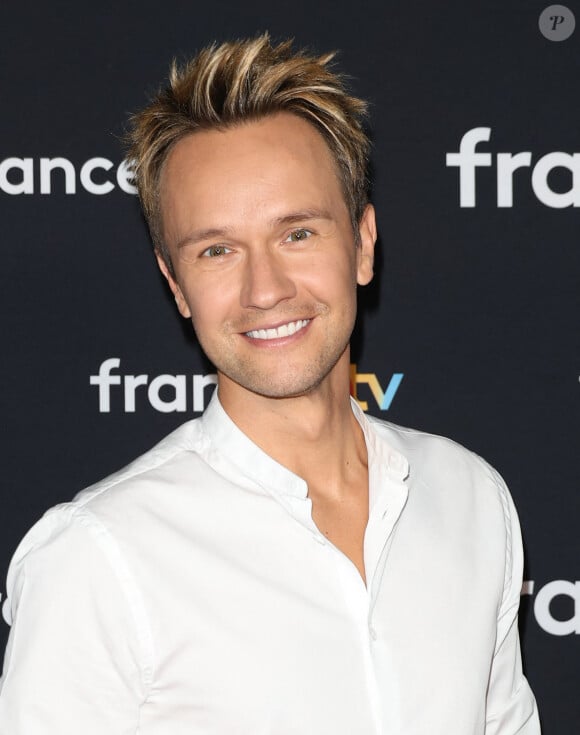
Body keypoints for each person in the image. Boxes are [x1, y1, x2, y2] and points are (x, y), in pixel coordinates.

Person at [0, 34, 540, 734]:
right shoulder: (96, 558)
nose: (265, 288)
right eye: (217, 249)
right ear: (177, 284)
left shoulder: (472, 498)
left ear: (364, 243)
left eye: (297, 234)